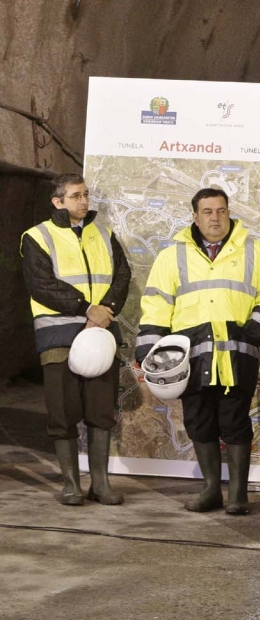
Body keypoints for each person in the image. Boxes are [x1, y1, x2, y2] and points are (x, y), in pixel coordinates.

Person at [136, 188, 260, 515]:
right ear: (195, 216)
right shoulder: (173, 256)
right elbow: (157, 301)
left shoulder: (256, 252)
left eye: (220, 210)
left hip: (237, 352)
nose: (215, 218)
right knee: (198, 420)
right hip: (190, 355)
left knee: (234, 420)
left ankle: (238, 495)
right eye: (207, 211)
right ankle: (211, 490)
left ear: (229, 212)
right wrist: (149, 345)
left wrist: (258, 329)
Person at [20, 173, 131, 506]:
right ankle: (71, 484)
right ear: (58, 202)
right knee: (63, 411)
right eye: (76, 196)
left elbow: (122, 276)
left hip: (100, 334)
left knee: (101, 410)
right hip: (59, 333)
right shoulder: (37, 236)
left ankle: (101, 484)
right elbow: (41, 284)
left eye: (86, 195)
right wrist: (86, 309)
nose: (84, 201)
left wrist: (106, 309)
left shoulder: (104, 233)